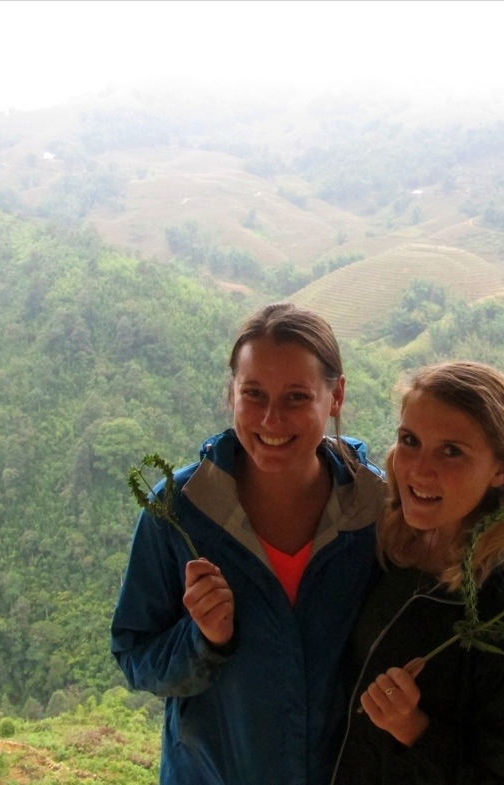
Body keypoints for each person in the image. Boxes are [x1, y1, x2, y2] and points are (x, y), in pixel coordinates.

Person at [110, 302, 389, 785]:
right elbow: (135, 656)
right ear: (232, 393)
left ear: (336, 396)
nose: (271, 420)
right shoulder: (180, 512)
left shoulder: (374, 511)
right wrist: (203, 640)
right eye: (254, 394)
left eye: (296, 397)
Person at [332, 361, 504, 785]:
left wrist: (415, 730)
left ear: (502, 470)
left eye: (452, 451)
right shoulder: (387, 538)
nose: (419, 469)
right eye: (410, 440)